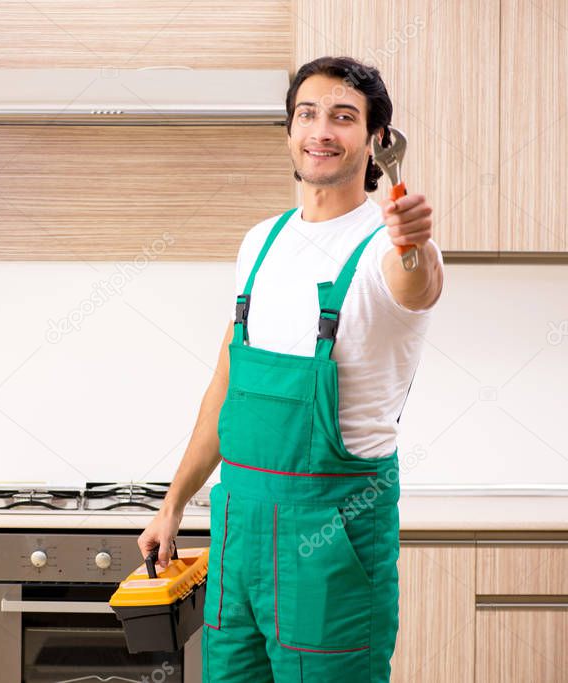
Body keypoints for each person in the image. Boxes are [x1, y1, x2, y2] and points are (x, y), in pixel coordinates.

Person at [137, 56, 445, 682]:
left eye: (343, 117)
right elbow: (228, 385)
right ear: (288, 131)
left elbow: (418, 288)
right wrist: (173, 504)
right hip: (238, 529)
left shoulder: (389, 244)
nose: (321, 131)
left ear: (377, 140)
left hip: (331, 533)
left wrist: (415, 246)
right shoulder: (262, 242)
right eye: (307, 114)